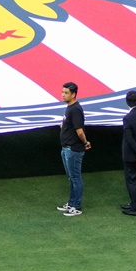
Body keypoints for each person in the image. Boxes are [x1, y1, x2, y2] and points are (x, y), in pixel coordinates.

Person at [56, 83, 90, 216]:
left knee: (75, 178)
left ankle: (76, 206)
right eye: (62, 92)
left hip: (73, 149)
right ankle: (71, 203)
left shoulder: (75, 109)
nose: (63, 94)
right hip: (66, 148)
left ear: (73, 94)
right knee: (71, 177)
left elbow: (80, 131)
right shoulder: (69, 108)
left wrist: (85, 142)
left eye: (66, 92)